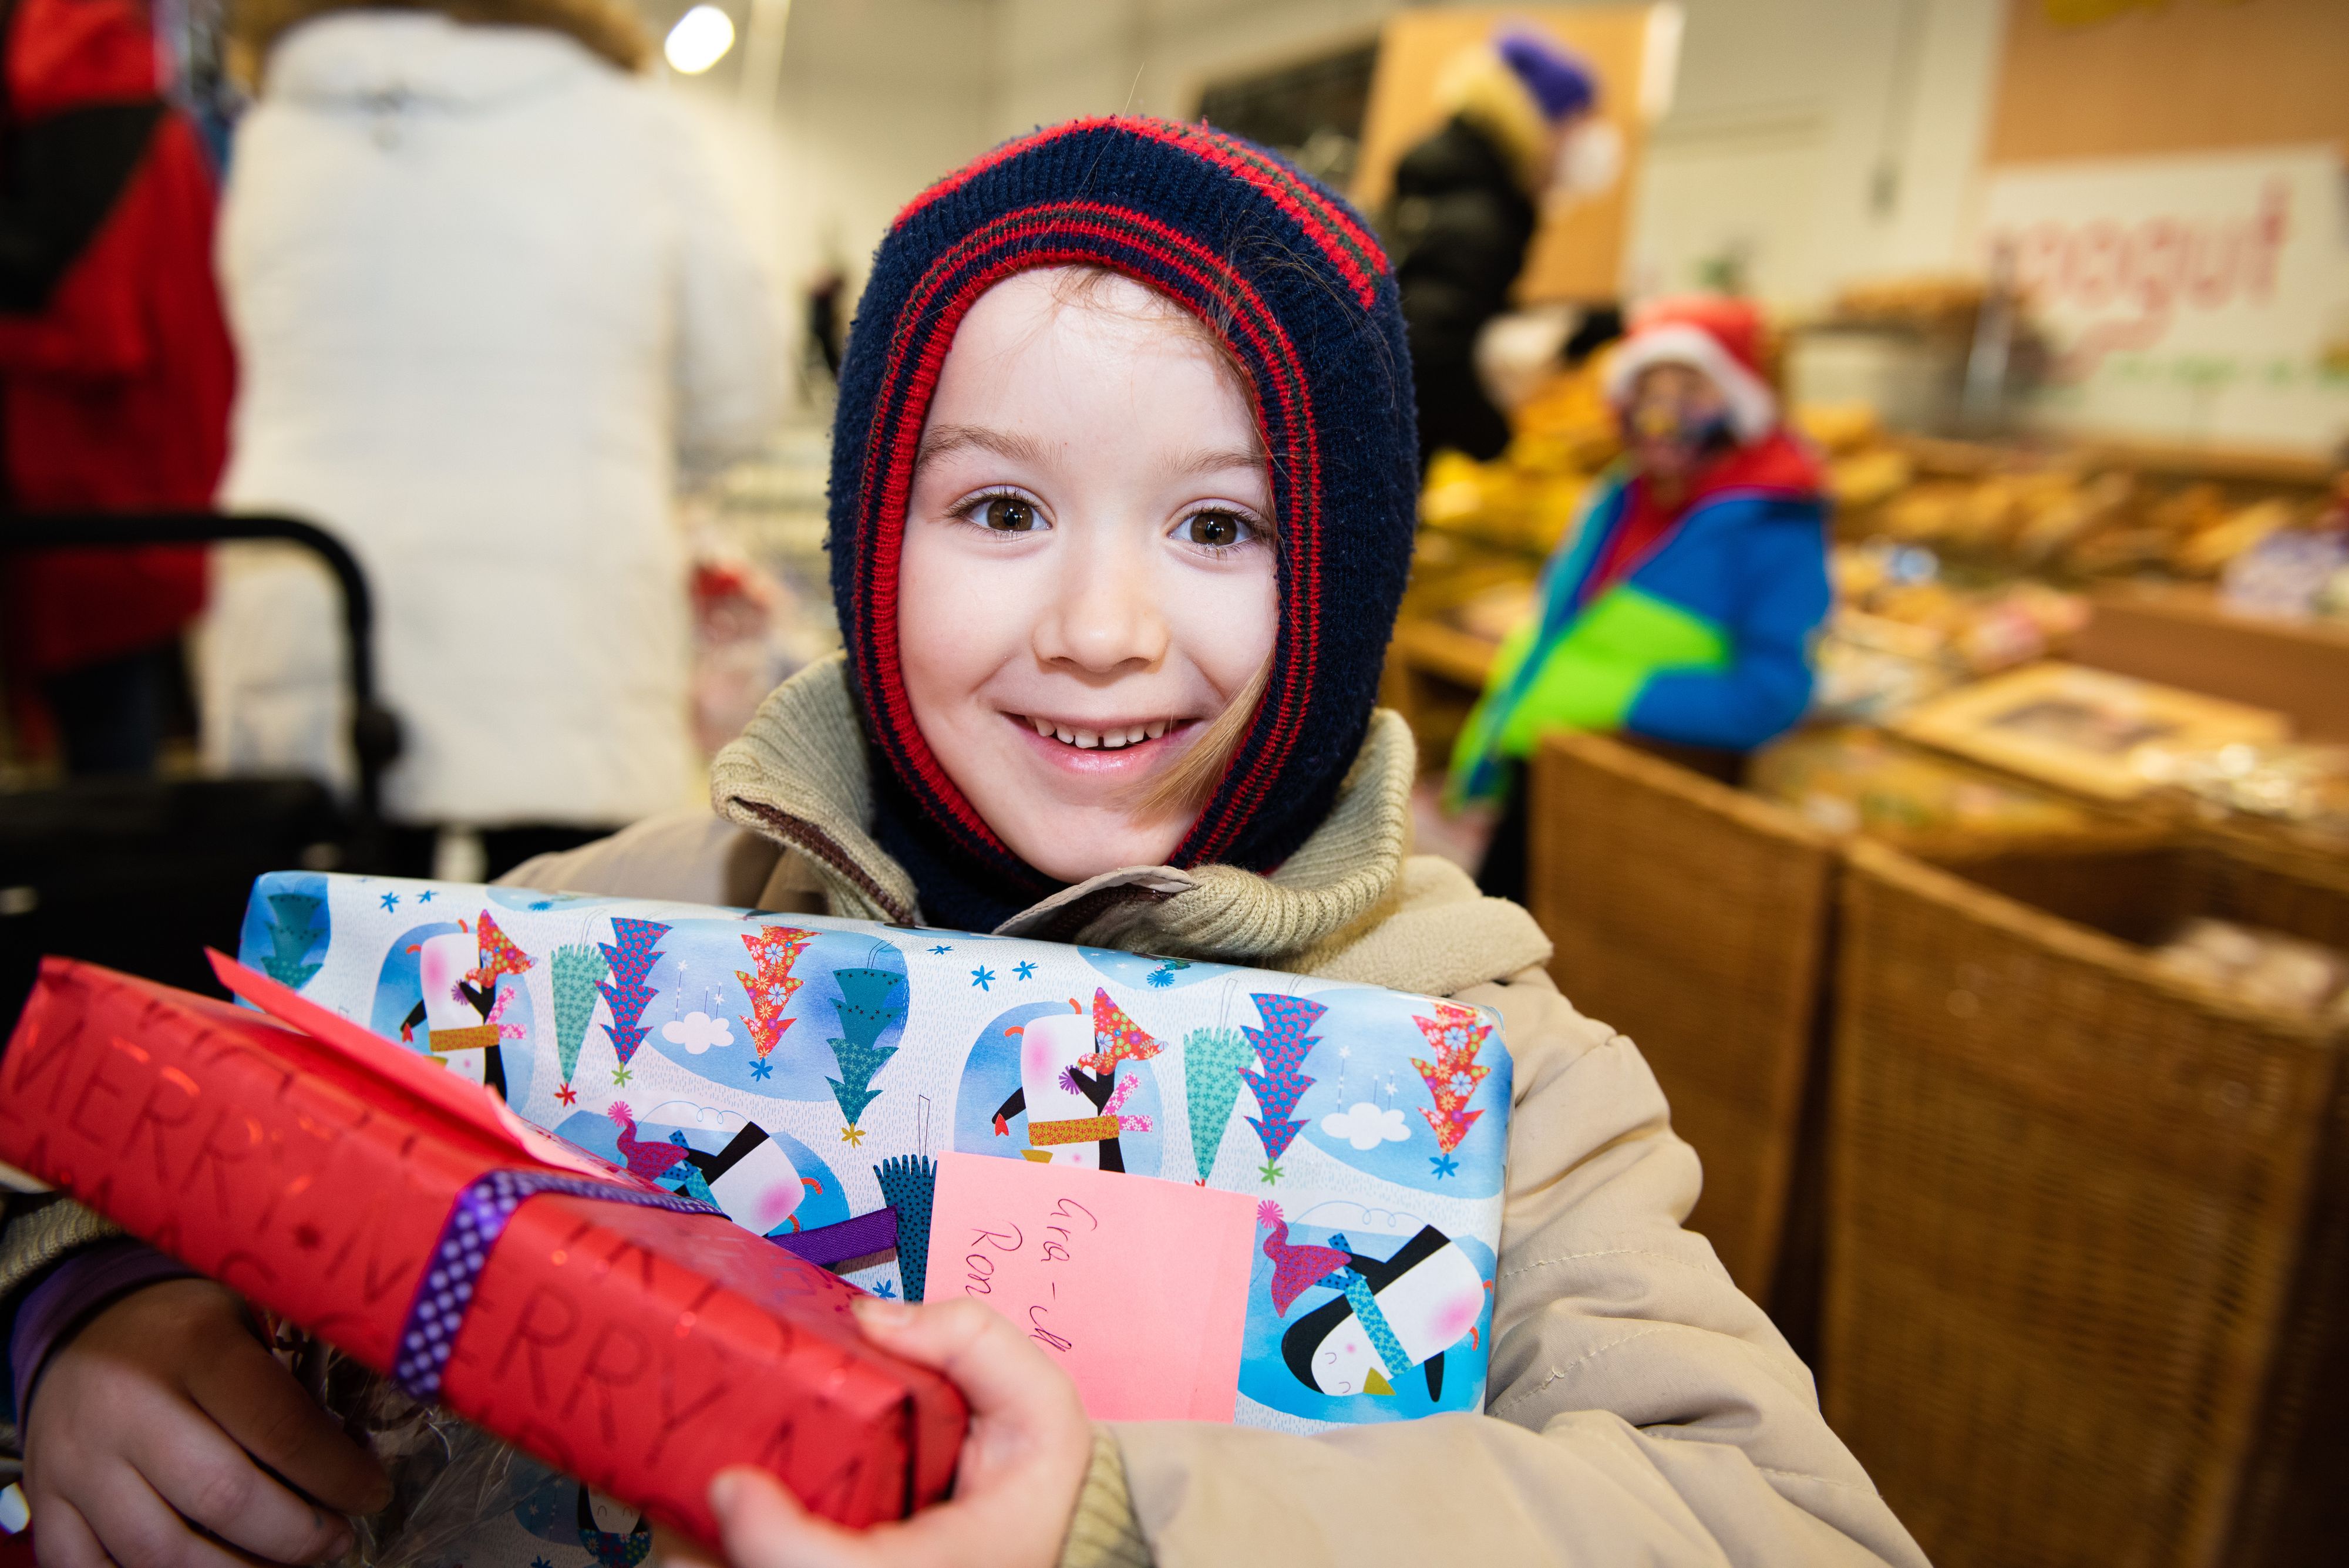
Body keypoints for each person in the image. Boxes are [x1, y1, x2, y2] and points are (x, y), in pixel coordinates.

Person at [2, 122, 1922, 1568]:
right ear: (864, 543)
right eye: (1001, 511)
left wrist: (1124, 1515)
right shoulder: (605, 928)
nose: (1101, 627)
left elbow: (1781, 1526)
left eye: (1220, 528)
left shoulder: (1496, 1068)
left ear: (1344, 580)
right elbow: (162, 1138)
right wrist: (94, 1321)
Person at [197, 0, 784, 878]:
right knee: (560, 966)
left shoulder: (280, 131)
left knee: (330, 968)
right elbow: (741, 391)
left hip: (315, 604)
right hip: (560, 619)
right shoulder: (632, 129)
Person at [1451, 295, 1832, 904]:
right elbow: (1561, 629)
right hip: (1544, 777)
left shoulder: (1775, 526)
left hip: (1641, 808)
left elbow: (1774, 695)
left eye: (1691, 387)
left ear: (1737, 400)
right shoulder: (1616, 496)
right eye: (1648, 386)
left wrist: (1618, 699)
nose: (1664, 411)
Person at [0, 0, 234, 776]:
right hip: (135, 488)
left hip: (89, 495)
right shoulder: (125, 101)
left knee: (107, 758)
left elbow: (96, 331)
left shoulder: (81, 122)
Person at [1390, 26, 1611, 466]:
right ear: (1538, 121)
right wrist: (1498, 440)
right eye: (1575, 125)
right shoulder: (1481, 211)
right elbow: (1428, 354)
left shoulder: (1453, 186)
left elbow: (1451, 304)